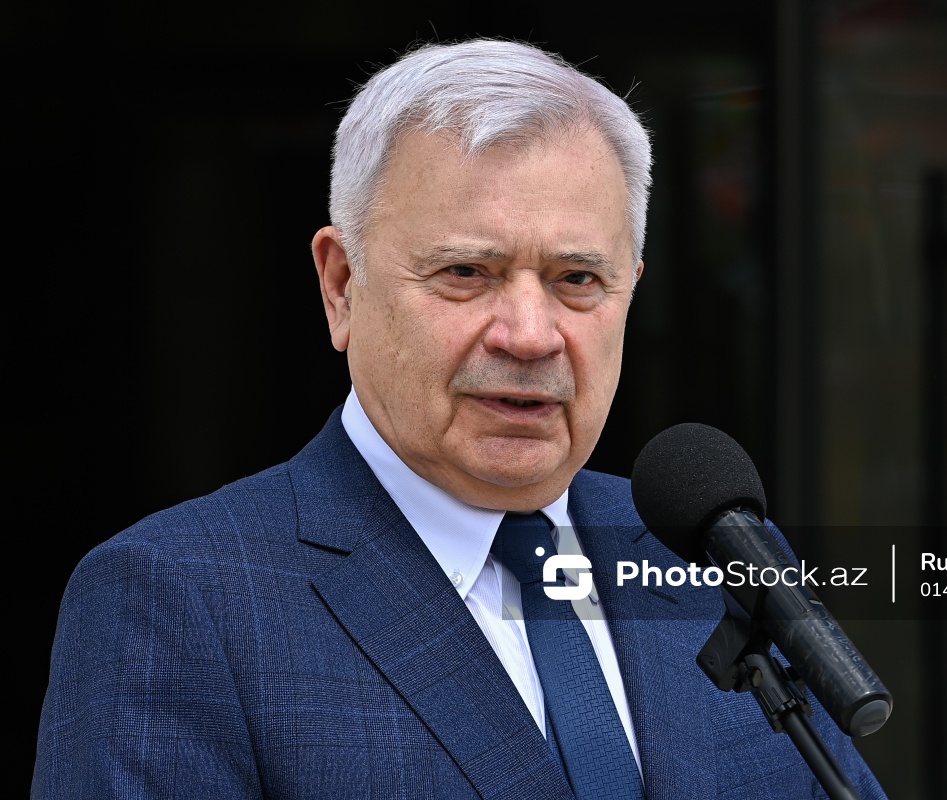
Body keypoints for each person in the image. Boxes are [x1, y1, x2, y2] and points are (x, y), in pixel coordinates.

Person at [33, 39, 886, 799]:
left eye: (577, 280)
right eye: (467, 273)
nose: (530, 334)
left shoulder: (711, 558)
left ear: (631, 287)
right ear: (341, 286)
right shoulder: (179, 601)